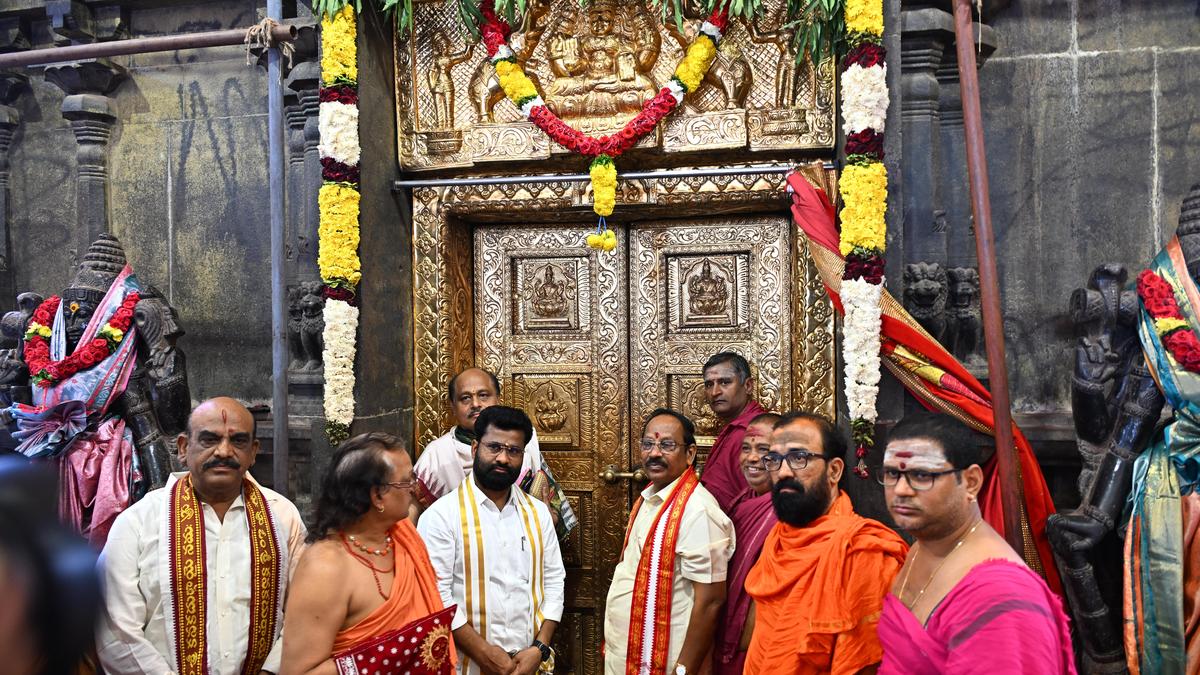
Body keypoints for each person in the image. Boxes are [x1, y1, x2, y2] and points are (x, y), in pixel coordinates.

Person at [96, 397, 307, 675]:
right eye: (210, 439)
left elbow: (304, 613)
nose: (224, 451)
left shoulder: (283, 516)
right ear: (184, 447)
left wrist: (271, 671)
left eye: (238, 441)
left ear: (253, 451)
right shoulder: (137, 522)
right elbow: (115, 629)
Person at [877, 413, 1076, 674]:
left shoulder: (1001, 594)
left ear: (971, 482)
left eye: (923, 475)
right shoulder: (923, 547)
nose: (901, 490)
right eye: (893, 473)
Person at [743, 411, 907, 674]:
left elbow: (867, 663)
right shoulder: (778, 539)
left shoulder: (863, 551)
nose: (783, 472)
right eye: (773, 459)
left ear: (834, 470)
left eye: (799, 458)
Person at [280, 433, 455, 675]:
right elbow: (298, 672)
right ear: (377, 496)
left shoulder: (404, 538)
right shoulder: (325, 566)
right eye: (406, 482)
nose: (414, 489)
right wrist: (382, 658)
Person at [418, 406, 565, 675]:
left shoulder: (538, 513)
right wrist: (484, 654)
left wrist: (540, 648)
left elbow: (554, 580)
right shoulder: (441, 516)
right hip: (467, 666)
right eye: (494, 447)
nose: (503, 458)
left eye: (513, 451)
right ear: (475, 448)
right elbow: (436, 595)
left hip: (530, 663)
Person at [604, 408, 734, 675]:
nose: (654, 453)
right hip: (627, 654)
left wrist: (683, 669)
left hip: (666, 662)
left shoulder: (698, 511)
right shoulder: (649, 498)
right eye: (648, 444)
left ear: (690, 454)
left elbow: (711, 601)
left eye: (667, 445)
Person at [414, 367, 576, 538]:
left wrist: (550, 519)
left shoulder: (524, 444)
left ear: (498, 398)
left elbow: (550, 504)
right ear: (453, 406)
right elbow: (414, 520)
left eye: (483, 395)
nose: (475, 404)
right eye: (465, 398)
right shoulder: (436, 454)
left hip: (522, 543)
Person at [714, 412, 778, 675]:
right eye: (746, 448)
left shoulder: (785, 511)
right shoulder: (744, 499)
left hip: (758, 645)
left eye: (763, 449)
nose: (751, 458)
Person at [699, 352, 766, 513]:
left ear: (748, 386)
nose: (715, 392)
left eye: (725, 382)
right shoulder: (735, 428)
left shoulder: (753, 431)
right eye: (709, 384)